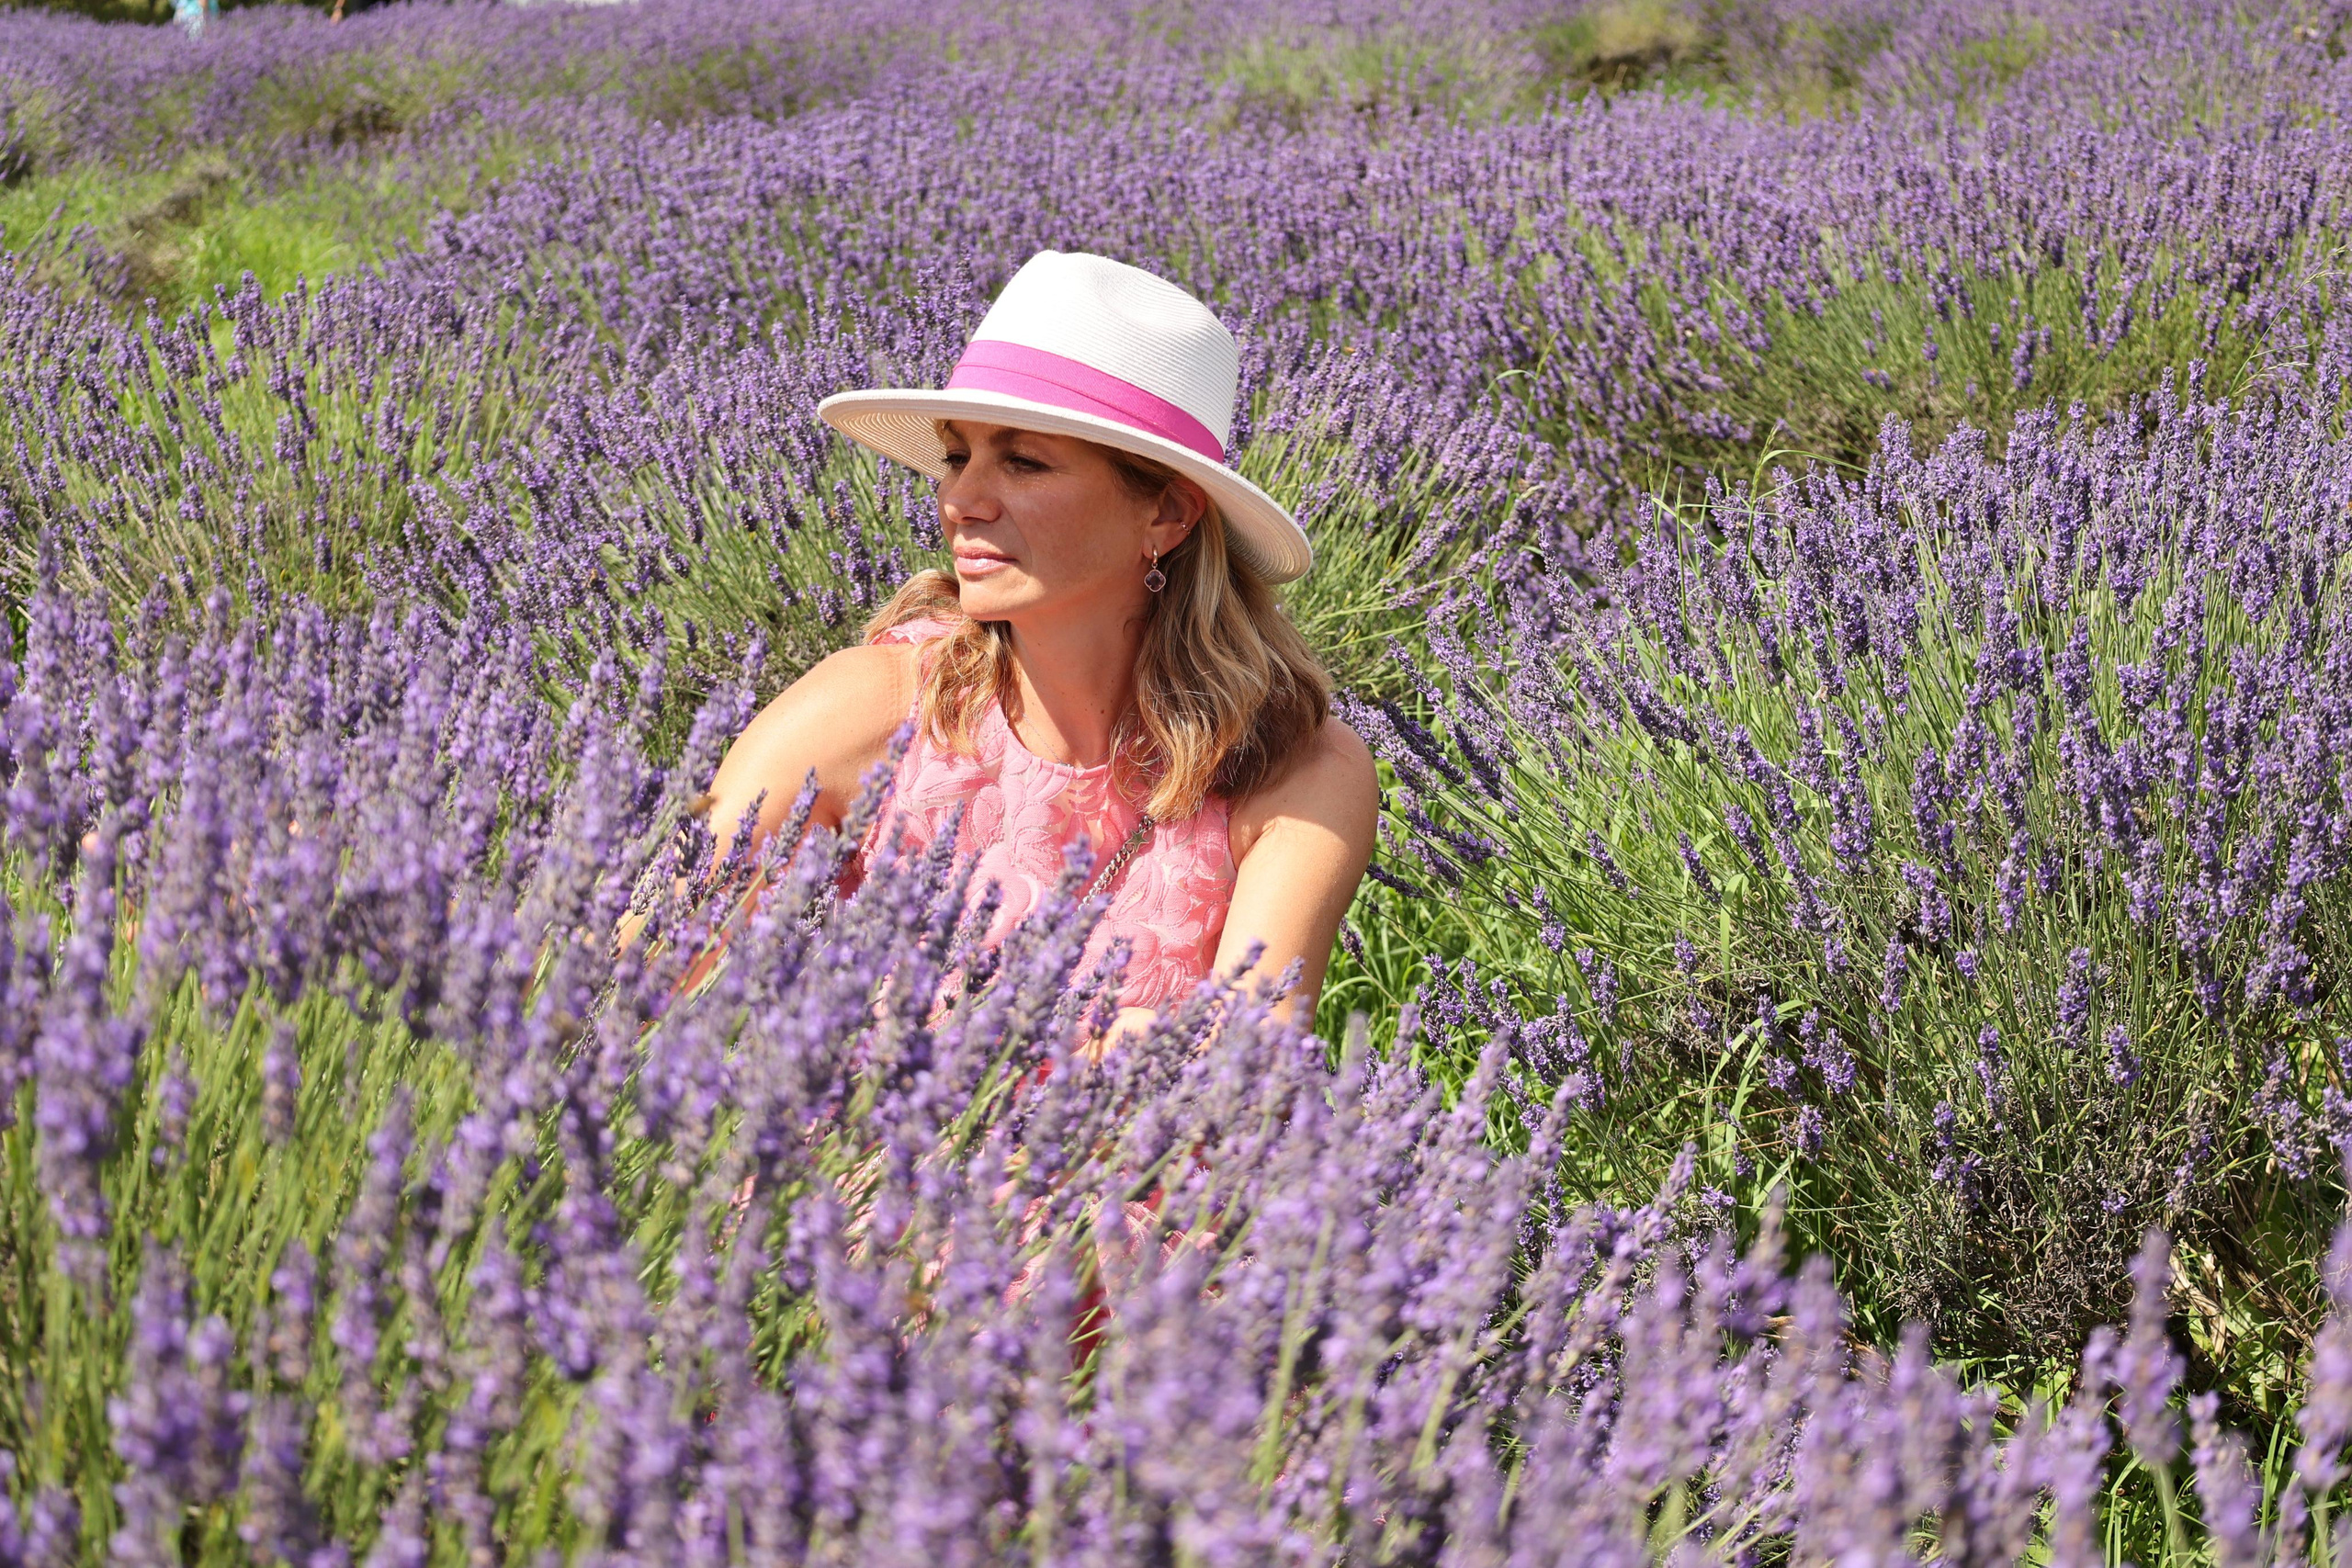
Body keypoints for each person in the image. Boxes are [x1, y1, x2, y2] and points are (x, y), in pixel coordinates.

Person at [687, 250, 1378, 1049]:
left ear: (1167, 516)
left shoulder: (1296, 767)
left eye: (1022, 461)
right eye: (958, 455)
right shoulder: (874, 711)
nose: (960, 499)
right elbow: (638, 961)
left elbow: (1241, 1071)